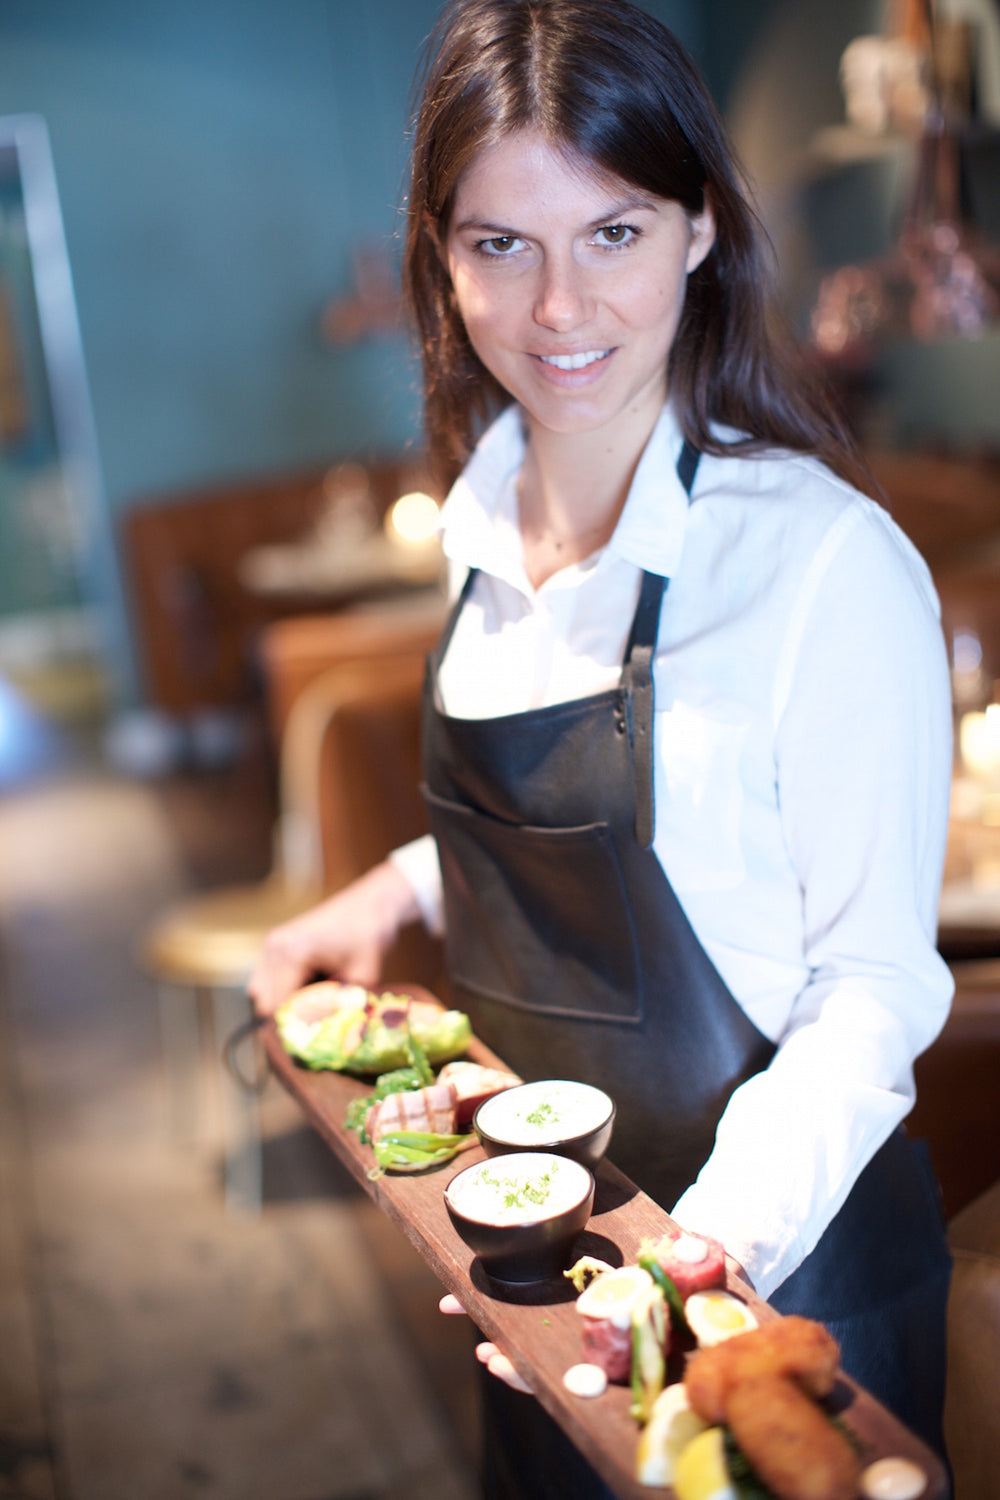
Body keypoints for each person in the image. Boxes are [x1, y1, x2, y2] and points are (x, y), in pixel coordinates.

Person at [250, 0, 954, 1488]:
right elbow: (555, 833)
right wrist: (397, 885)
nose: (559, 308)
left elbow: (877, 988)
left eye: (614, 234)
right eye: (500, 244)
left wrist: (687, 1259)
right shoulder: (476, 515)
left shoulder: (825, 566)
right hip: (538, 1259)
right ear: (441, 259)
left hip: (779, 1285)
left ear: (700, 226)